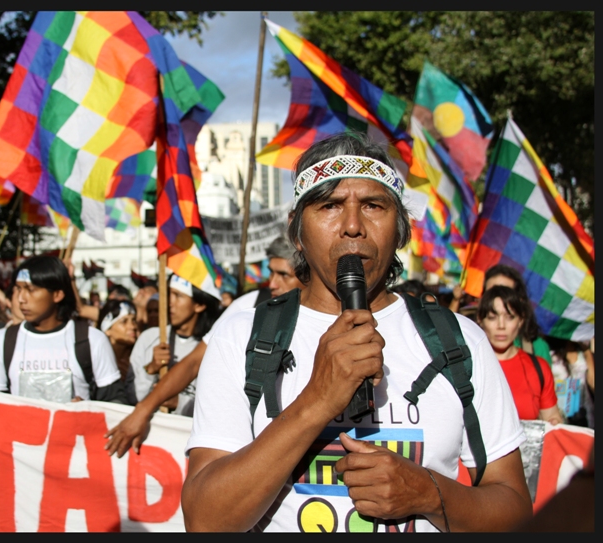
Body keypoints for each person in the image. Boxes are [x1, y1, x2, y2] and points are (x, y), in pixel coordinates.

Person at [181, 132, 531, 532]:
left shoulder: (459, 339)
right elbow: (205, 521)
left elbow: (515, 512)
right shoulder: (242, 338)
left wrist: (429, 494)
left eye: (373, 205)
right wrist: (317, 400)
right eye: (329, 205)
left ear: (400, 230)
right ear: (296, 230)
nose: (352, 226)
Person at [105, 235, 305, 457]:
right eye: (271, 272)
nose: (272, 283)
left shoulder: (338, 312)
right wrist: (142, 411)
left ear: (307, 273)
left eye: (283, 275)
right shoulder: (249, 305)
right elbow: (193, 363)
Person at [0, 255, 126, 403]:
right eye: (19, 289)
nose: (21, 298)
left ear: (58, 294)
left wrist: (87, 410)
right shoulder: (3, 342)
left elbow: (115, 404)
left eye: (30, 290)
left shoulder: (92, 340)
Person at [128, 274, 221, 416]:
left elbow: (217, 406)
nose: (169, 302)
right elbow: (131, 396)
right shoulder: (149, 338)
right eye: (169, 294)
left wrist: (180, 403)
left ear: (199, 305)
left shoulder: (212, 348)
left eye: (178, 296)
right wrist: (150, 370)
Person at [476, 286, 562, 426]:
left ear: (521, 321)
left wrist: (554, 423)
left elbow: (551, 417)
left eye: (510, 317)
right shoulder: (467, 366)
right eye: (492, 317)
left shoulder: (538, 367)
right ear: (480, 319)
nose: (501, 325)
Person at [483, 264, 552, 364]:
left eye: (506, 293)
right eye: (491, 293)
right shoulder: (466, 340)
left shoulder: (536, 347)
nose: (498, 300)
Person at [97, 298, 139, 405]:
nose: (132, 326)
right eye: (124, 321)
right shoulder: (96, 360)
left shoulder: (140, 356)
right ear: (107, 329)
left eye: (133, 320)